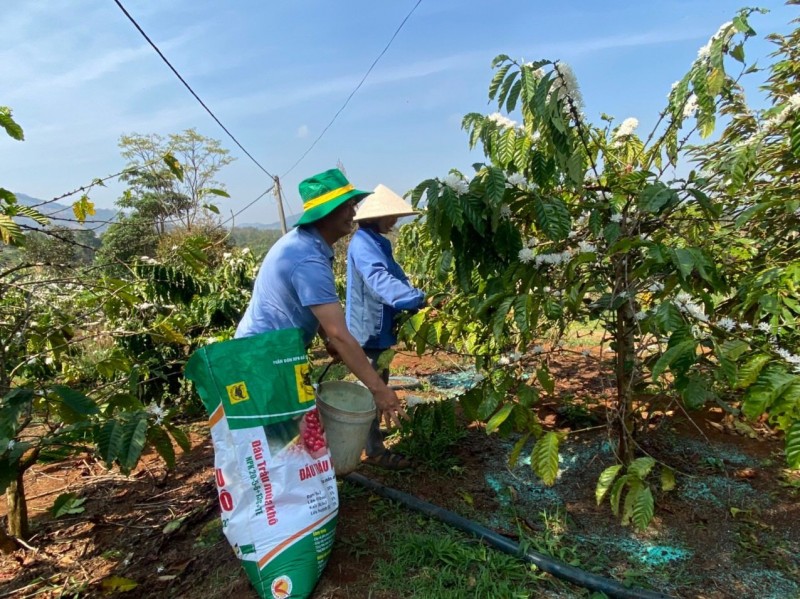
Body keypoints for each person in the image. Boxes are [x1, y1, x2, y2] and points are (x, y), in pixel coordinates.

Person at [235, 168, 406, 429]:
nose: (353, 212)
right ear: (326, 212)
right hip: (264, 358)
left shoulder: (305, 245)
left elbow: (313, 312)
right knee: (286, 439)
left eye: (353, 204)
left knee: (301, 435)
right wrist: (379, 390)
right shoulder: (308, 259)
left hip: (275, 353)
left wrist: (326, 339)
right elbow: (339, 333)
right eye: (346, 206)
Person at [346, 184, 425, 470]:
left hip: (380, 325)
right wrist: (417, 299)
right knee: (372, 386)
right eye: (390, 216)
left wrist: (415, 294)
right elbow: (380, 281)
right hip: (368, 326)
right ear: (376, 217)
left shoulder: (377, 242)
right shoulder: (363, 244)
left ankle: (372, 435)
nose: (394, 221)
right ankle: (374, 450)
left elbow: (397, 277)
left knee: (380, 378)